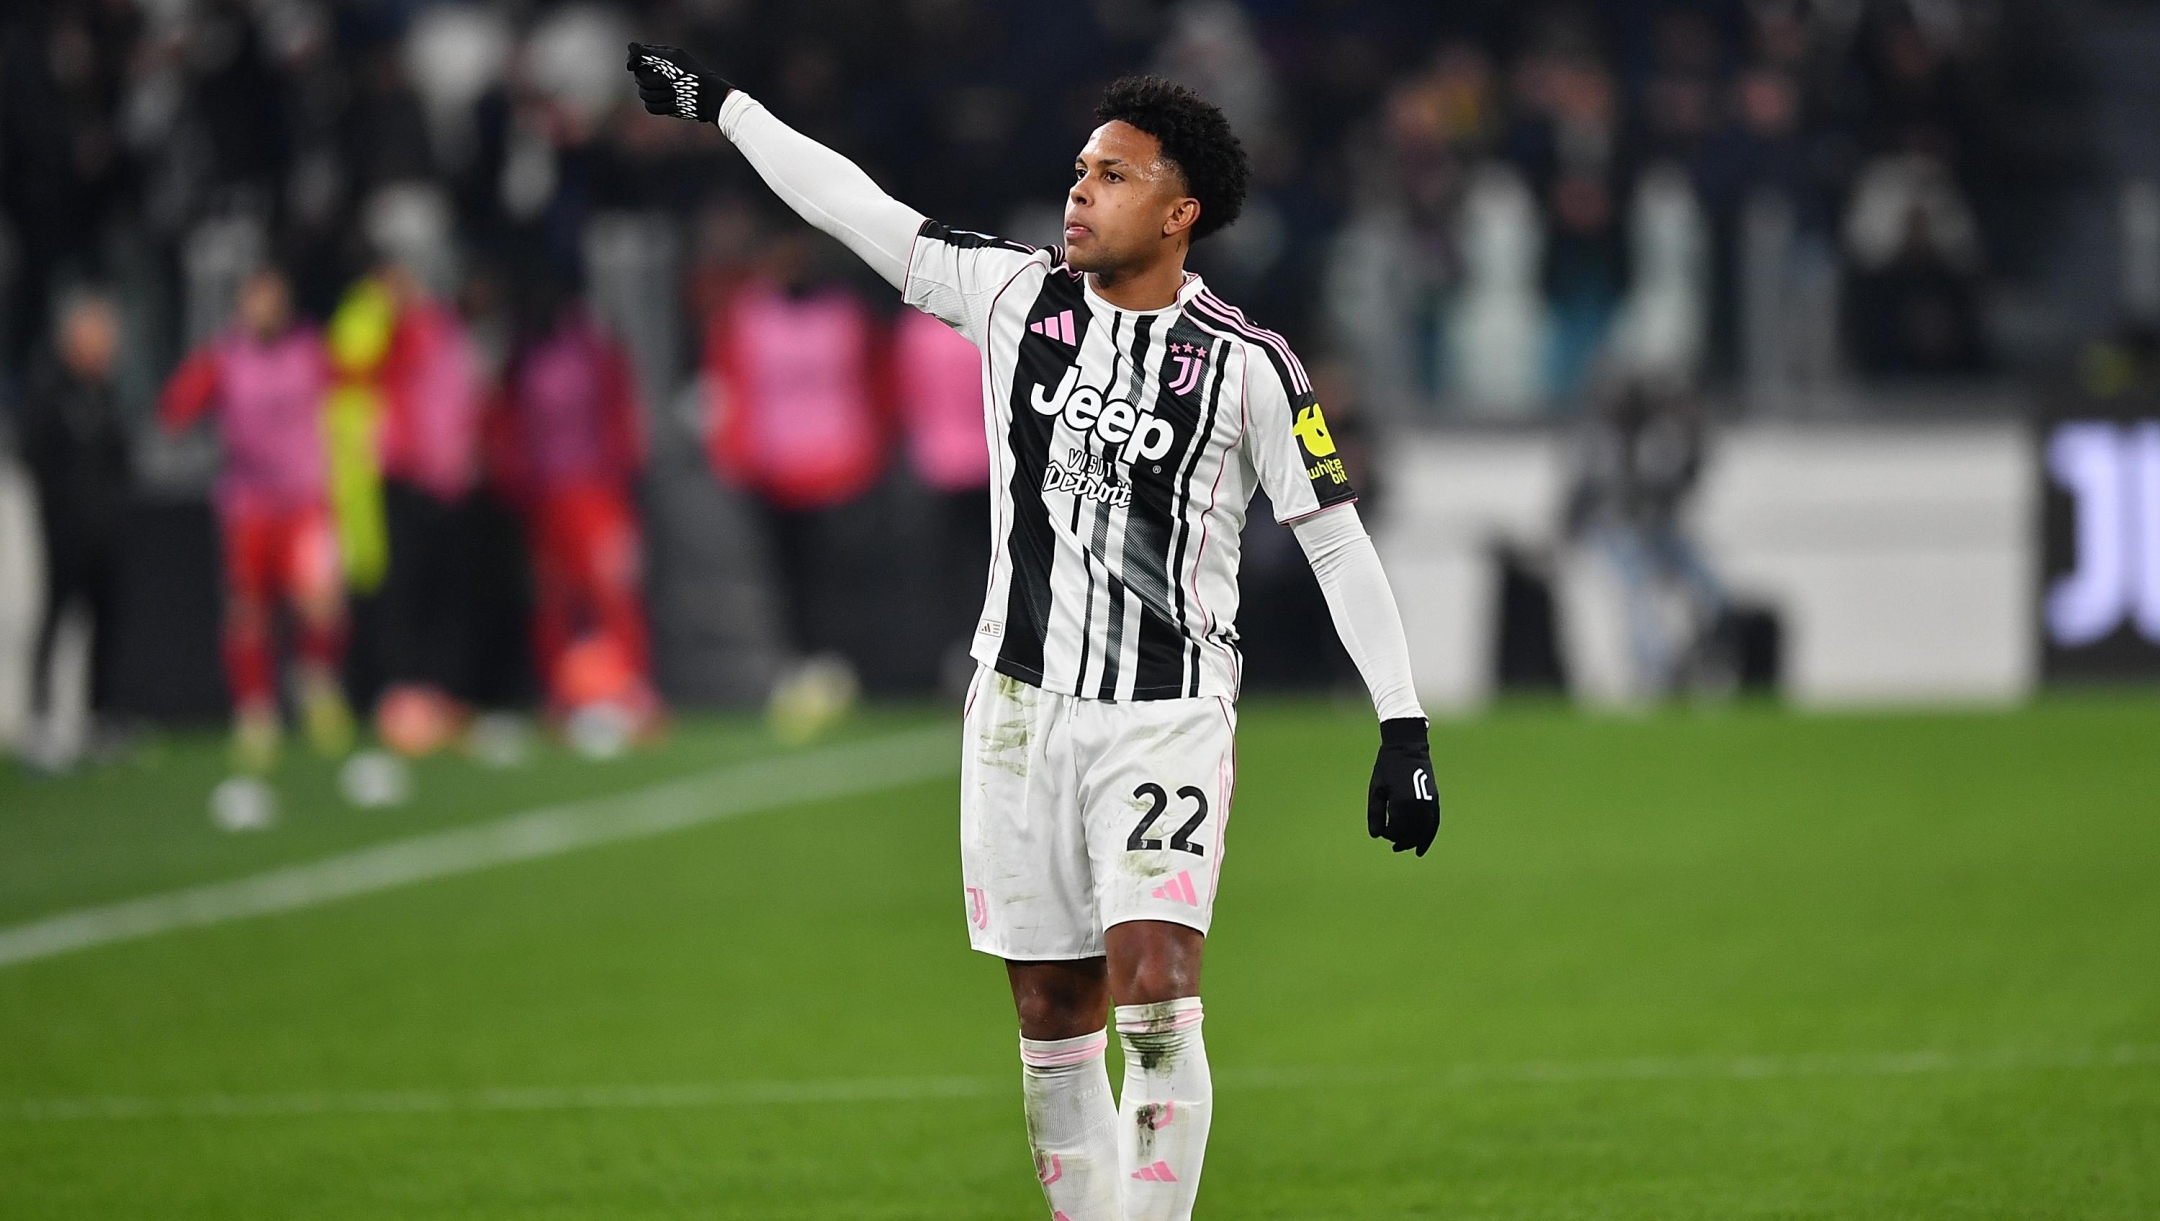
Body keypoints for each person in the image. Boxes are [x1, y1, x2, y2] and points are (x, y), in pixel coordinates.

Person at [630, 49, 1441, 1221]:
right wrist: (725, 107)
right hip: (1017, 716)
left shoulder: (1251, 370)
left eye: (1111, 177)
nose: (1078, 193)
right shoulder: (1014, 298)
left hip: (1165, 717)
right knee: (1054, 1024)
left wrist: (1401, 722)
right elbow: (854, 206)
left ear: (1180, 211)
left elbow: (1335, 541)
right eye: (1078, 171)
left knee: (1158, 1002)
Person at [160, 267, 352, 771]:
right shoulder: (226, 359)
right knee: (248, 612)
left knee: (320, 602)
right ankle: (256, 713)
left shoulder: (310, 350)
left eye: (272, 301)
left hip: (305, 499)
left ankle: (316, 690)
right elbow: (175, 410)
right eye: (255, 302)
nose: (263, 311)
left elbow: (355, 388)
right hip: (248, 505)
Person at [703, 229, 885, 739]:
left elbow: (870, 380)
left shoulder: (844, 312)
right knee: (790, 580)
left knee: (839, 581)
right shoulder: (746, 315)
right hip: (776, 470)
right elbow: (731, 384)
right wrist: (734, 456)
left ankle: (840, 671)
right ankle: (803, 669)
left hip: (841, 466)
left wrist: (870, 452)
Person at [487, 281, 657, 744]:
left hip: (597, 491)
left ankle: (628, 687)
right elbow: (507, 427)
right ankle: (564, 694)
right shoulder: (521, 361)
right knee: (553, 601)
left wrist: (624, 470)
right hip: (545, 499)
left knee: (612, 591)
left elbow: (619, 414)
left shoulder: (594, 354)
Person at [17, 289, 133, 768]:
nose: (105, 345)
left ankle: (97, 718)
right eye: (95, 335)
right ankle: (40, 721)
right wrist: (63, 506)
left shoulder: (107, 393)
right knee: (55, 618)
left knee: (106, 621)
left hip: (106, 531)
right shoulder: (49, 390)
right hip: (63, 528)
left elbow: (122, 460)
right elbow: (33, 455)